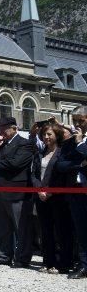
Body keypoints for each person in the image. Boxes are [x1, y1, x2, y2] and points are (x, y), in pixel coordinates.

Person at [0, 117, 34, 268]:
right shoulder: (1, 145)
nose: (1, 131)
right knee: (2, 226)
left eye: (4, 128)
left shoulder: (25, 143)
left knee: (20, 227)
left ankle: (23, 258)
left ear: (14, 128)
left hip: (15, 191)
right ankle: (4, 255)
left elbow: (16, 163)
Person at [31, 122, 72, 274]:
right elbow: (34, 174)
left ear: (57, 135)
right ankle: (48, 261)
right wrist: (39, 190)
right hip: (41, 197)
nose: (46, 137)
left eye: (49, 134)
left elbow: (61, 175)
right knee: (45, 230)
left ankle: (63, 263)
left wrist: (50, 191)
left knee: (61, 231)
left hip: (57, 197)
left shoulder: (62, 153)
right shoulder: (40, 153)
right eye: (44, 134)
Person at [56, 107, 87, 279]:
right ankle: (84, 265)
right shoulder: (68, 143)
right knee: (81, 230)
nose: (77, 124)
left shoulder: (80, 141)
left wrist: (81, 143)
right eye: (74, 121)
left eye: (80, 120)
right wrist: (80, 164)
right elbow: (60, 165)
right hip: (75, 191)